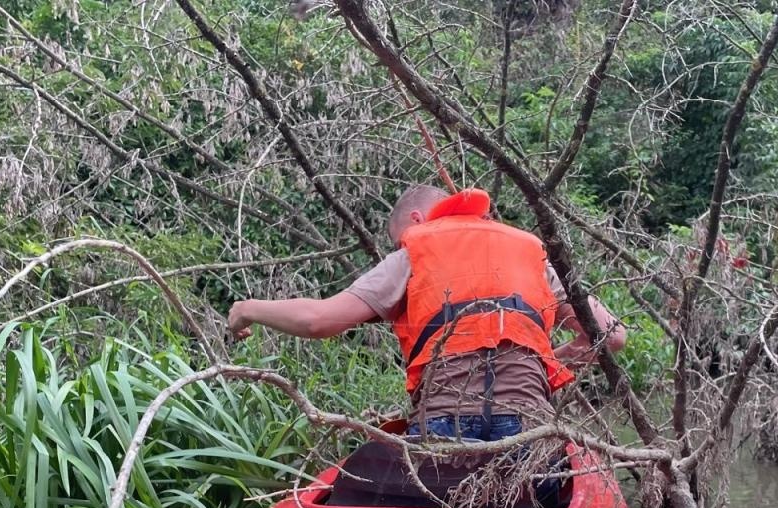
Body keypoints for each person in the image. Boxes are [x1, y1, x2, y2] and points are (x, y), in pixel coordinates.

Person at [226, 184, 625, 443]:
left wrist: (247, 309)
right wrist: (547, 362)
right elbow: (612, 334)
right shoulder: (528, 251)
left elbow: (317, 319)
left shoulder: (415, 249)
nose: (403, 245)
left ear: (416, 221)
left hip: (444, 422)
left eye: (399, 239)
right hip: (528, 421)